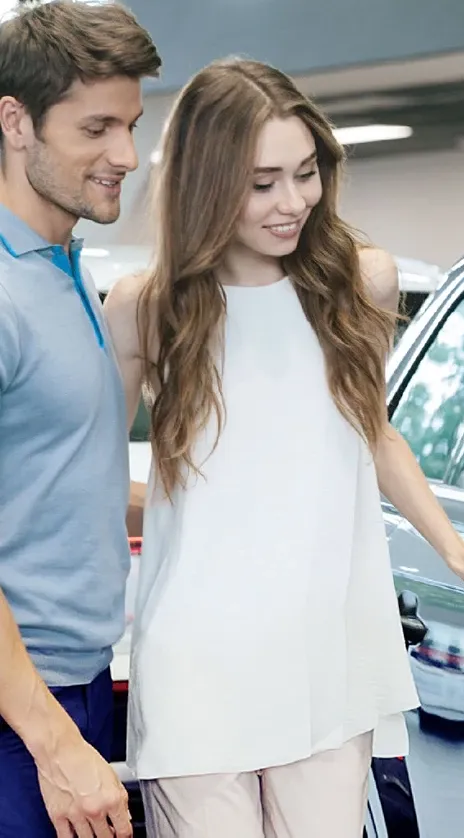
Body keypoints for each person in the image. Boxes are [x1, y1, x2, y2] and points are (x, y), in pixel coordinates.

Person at [105, 58, 464, 838]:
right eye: (262, 181)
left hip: (326, 656)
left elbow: (371, 429)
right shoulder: (148, 304)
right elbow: (96, 465)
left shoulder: (358, 284)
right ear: (206, 183)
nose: (294, 201)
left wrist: (455, 548)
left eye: (305, 173)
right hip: (197, 659)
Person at [0, 2, 161, 836]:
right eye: (97, 127)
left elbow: (52, 478)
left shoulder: (66, 265)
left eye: (131, 125)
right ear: (15, 121)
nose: (126, 156)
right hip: (22, 716)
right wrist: (53, 743)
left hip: (81, 685)